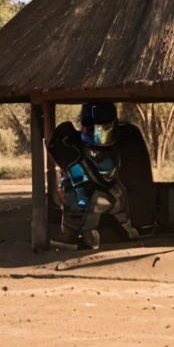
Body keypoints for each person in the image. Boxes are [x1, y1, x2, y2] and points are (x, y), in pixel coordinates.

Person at [47, 102, 139, 250]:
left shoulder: (112, 151)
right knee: (80, 197)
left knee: (118, 193)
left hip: (110, 197)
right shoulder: (73, 148)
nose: (101, 136)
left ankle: (124, 227)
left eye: (106, 130)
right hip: (85, 200)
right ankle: (73, 235)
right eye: (97, 130)